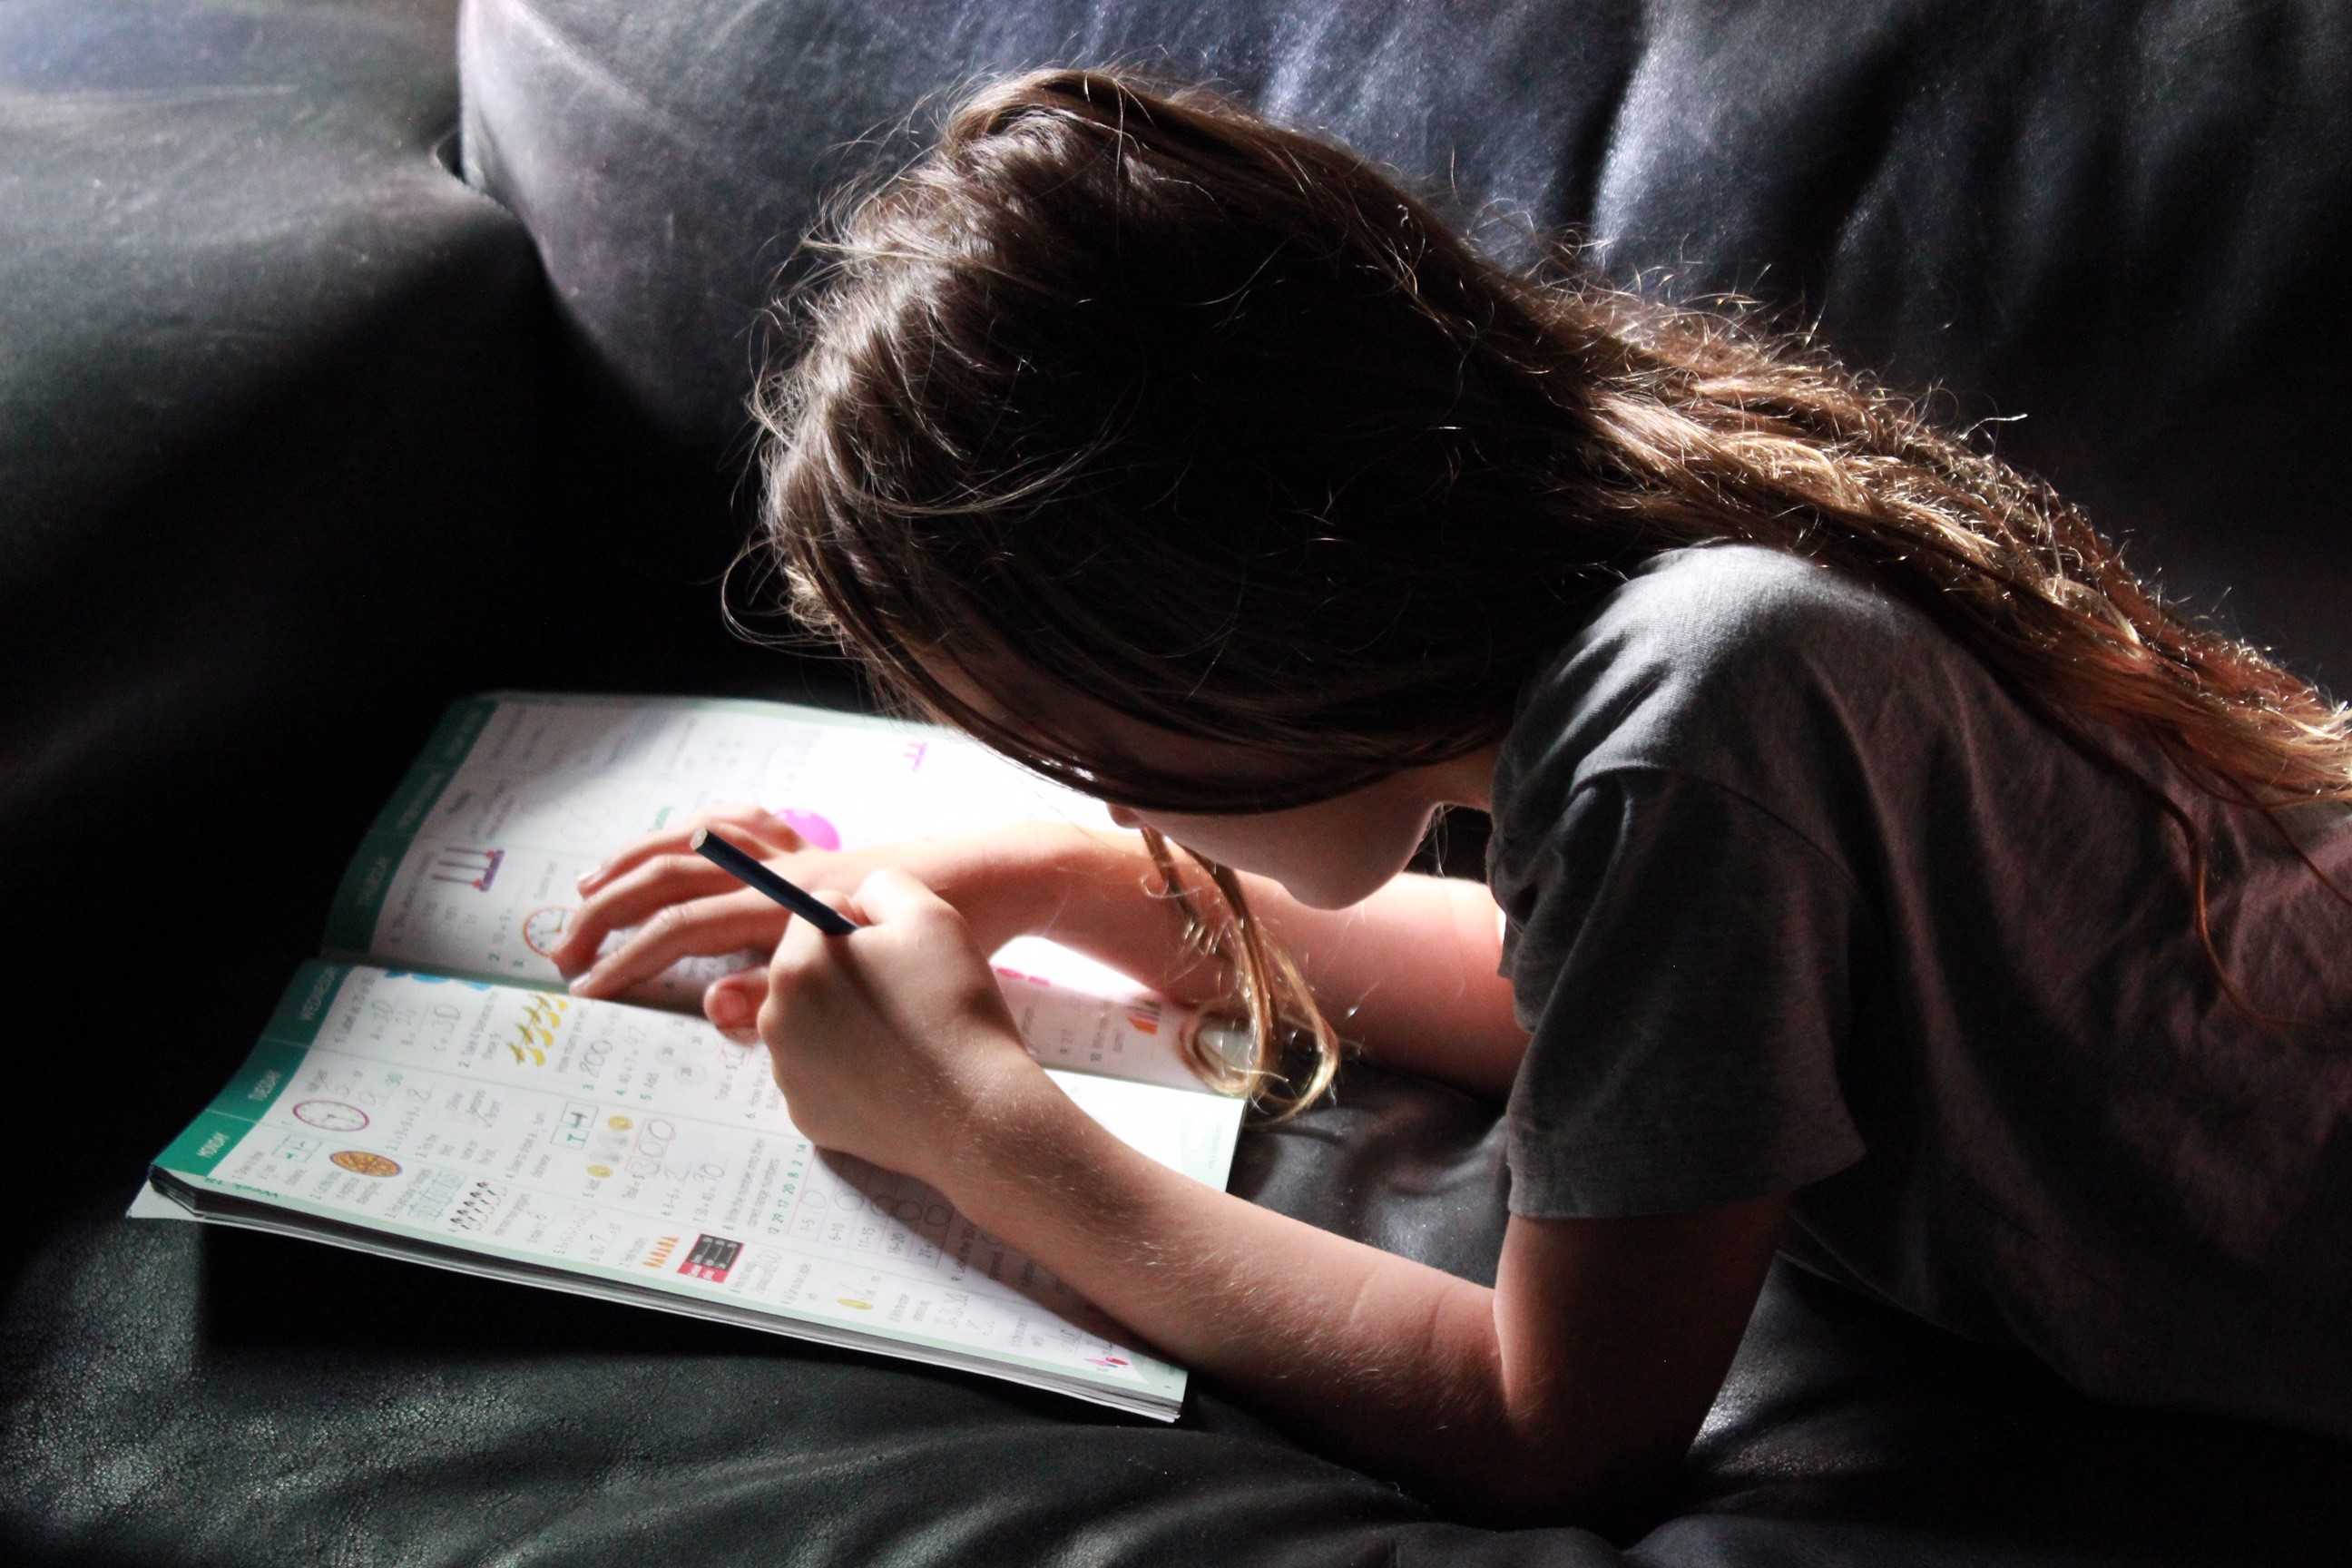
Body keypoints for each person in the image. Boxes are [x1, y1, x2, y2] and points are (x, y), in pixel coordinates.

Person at [549, 67, 2352, 1527]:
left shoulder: (1683, 720)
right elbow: (1649, 1039)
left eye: (1065, 740)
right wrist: (1084, 879)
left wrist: (977, 1130)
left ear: (1211, 631)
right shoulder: (1689, 609)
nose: (1076, 787)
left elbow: (1556, 1428)